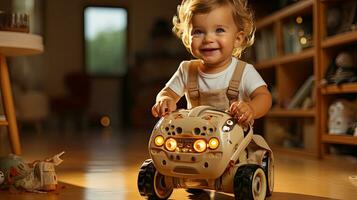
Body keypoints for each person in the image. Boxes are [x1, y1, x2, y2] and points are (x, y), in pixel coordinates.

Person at [151, 0, 272, 127]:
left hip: (234, 143)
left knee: (260, 147)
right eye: (198, 32)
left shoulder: (244, 71)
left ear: (237, 39)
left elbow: (264, 97)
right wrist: (164, 100)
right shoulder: (187, 70)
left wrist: (251, 108)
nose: (208, 39)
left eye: (219, 30)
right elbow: (167, 93)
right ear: (187, 38)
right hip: (196, 140)